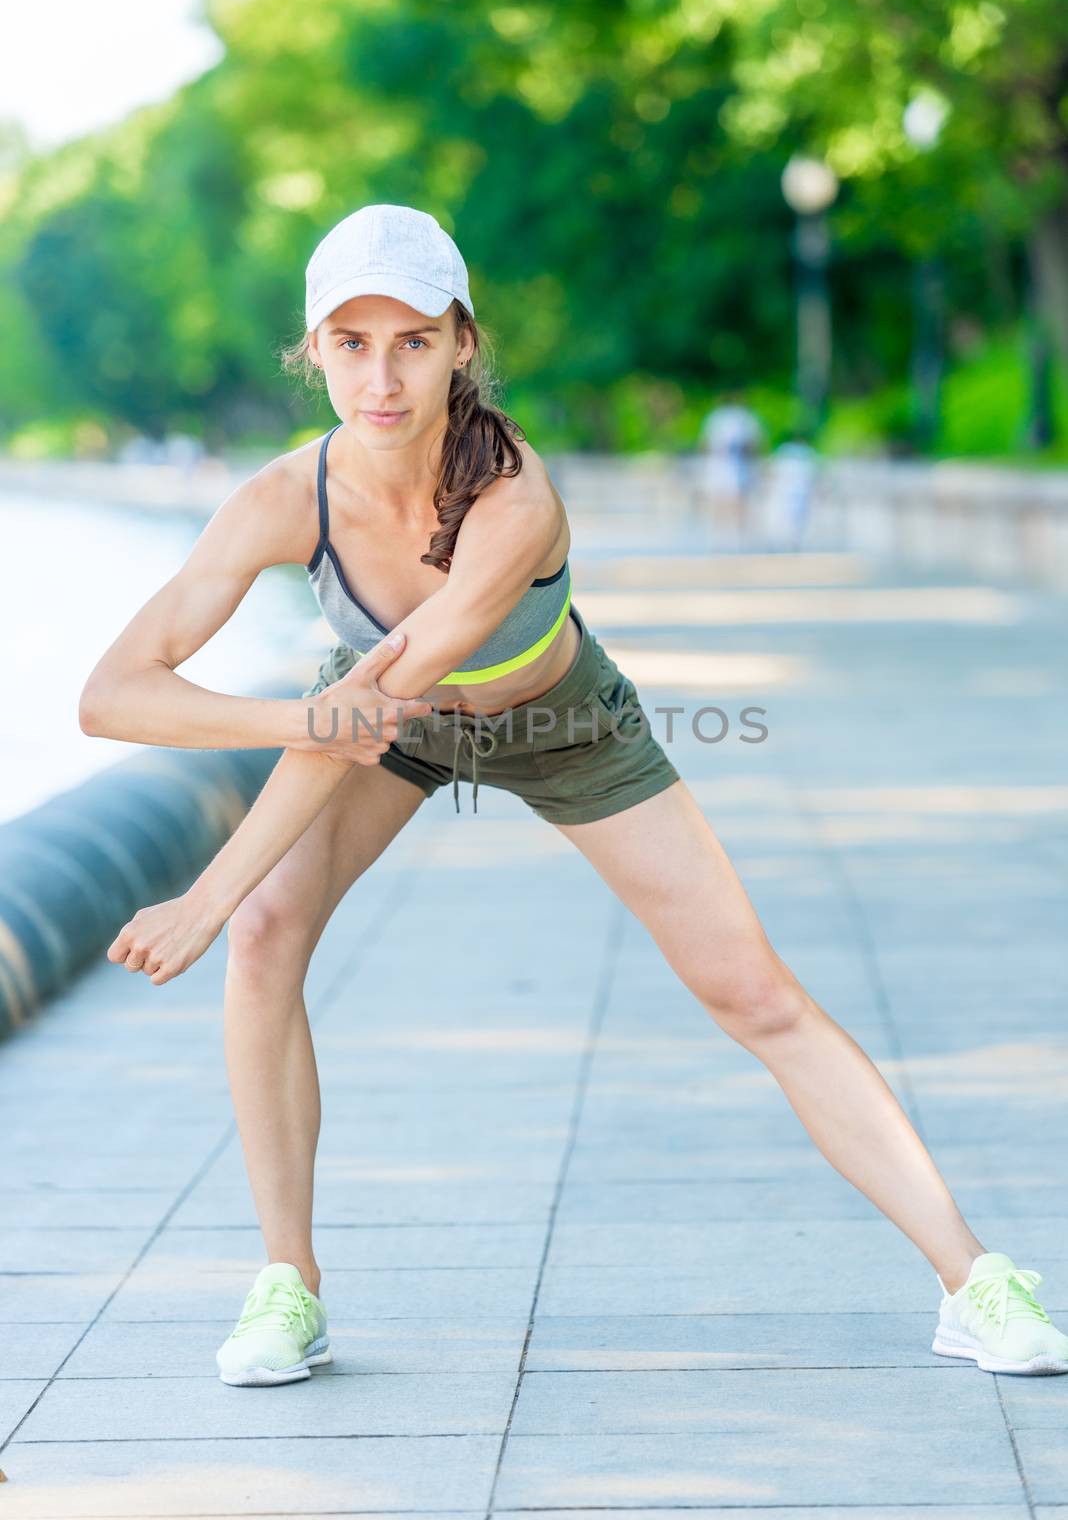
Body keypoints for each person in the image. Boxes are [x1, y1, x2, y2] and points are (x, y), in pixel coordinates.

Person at [83, 203, 1068, 1387]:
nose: (382, 377)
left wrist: (203, 884)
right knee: (265, 937)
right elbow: (114, 695)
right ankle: (288, 1285)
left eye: (412, 341)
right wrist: (293, 722)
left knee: (753, 992)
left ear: (462, 342)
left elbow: (388, 688)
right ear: (313, 353)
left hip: (563, 724)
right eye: (351, 343)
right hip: (386, 727)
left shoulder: (514, 498)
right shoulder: (279, 502)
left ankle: (974, 1279)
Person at [696, 394, 763, 545]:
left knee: (733, 502)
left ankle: (733, 537)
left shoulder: (735, 419)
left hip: (732, 466)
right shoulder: (736, 419)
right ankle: (725, 537)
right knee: (724, 501)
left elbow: (704, 444)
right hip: (724, 466)